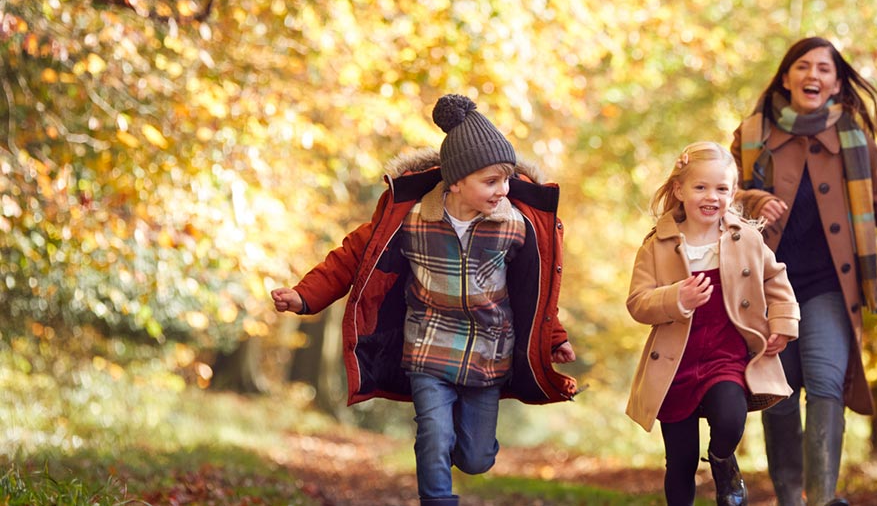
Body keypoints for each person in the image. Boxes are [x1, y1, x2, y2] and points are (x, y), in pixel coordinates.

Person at [270, 94, 579, 506]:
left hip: (489, 355)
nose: (503, 190)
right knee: (433, 434)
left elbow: (535, 291)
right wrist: (304, 296)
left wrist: (554, 338)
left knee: (475, 458)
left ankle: (461, 445)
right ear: (455, 181)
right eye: (491, 181)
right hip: (428, 349)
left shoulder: (514, 227)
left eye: (506, 179)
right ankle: (437, 499)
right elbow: (350, 258)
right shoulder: (412, 218)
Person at [733, 37, 877, 506]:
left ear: (836, 82)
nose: (813, 75)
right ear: (786, 76)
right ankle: (791, 498)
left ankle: (821, 499)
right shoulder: (753, 134)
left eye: (824, 69)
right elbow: (721, 201)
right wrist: (753, 202)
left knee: (828, 383)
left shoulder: (854, 140)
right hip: (771, 291)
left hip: (830, 286)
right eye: (803, 66)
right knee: (779, 397)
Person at [625, 141, 800, 506]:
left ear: (732, 192)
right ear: (679, 190)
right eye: (700, 187)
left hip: (726, 354)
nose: (711, 197)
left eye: (721, 189)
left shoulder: (746, 239)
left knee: (730, 417)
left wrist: (782, 324)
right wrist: (676, 298)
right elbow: (638, 303)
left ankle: (722, 460)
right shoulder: (656, 246)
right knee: (681, 461)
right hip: (675, 363)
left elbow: (776, 280)